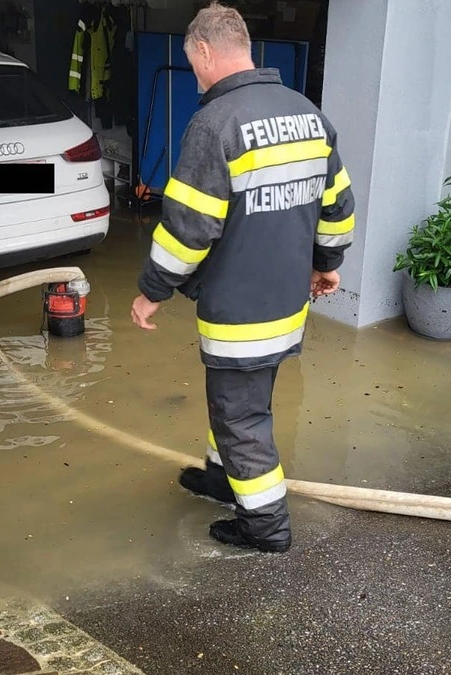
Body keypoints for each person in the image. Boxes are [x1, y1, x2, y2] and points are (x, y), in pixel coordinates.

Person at [130, 1, 355, 553]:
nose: (196, 75)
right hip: (286, 303)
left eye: (194, 63)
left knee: (241, 417)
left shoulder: (215, 125)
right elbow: (338, 204)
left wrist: (151, 292)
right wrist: (327, 265)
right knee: (238, 401)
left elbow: (188, 228)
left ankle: (265, 526)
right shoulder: (306, 113)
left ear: (205, 51)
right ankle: (218, 478)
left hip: (241, 313)